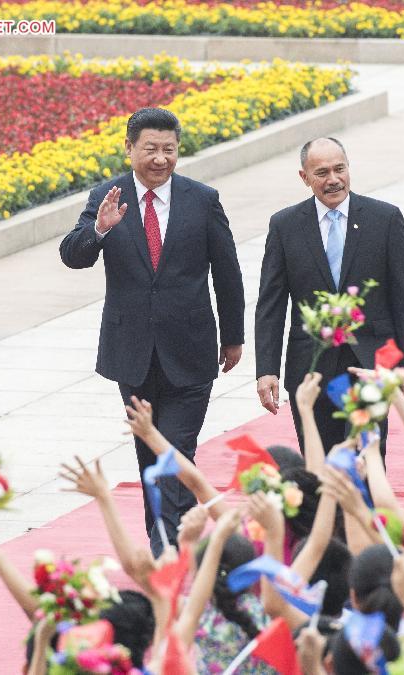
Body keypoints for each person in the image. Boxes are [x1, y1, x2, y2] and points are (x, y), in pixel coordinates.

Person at [59, 107, 245, 554]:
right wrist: (100, 230)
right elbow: (72, 254)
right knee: (149, 454)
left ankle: (171, 545)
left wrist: (234, 335)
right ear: (129, 149)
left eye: (169, 150)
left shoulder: (202, 199)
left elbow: (227, 270)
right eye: (151, 149)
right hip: (133, 353)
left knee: (176, 448)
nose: (160, 159)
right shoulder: (107, 196)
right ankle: (164, 539)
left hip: (192, 348)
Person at [255, 137, 404, 456]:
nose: (333, 180)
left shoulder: (384, 219)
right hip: (311, 364)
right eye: (322, 173)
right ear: (304, 177)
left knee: (365, 454)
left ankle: (365, 507)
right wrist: (267, 369)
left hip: (372, 362)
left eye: (339, 169)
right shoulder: (285, 226)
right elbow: (270, 305)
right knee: (320, 461)